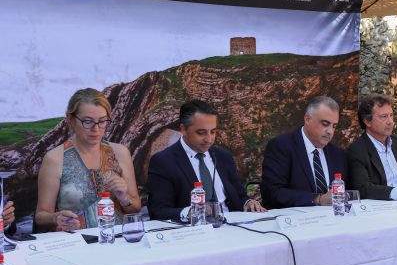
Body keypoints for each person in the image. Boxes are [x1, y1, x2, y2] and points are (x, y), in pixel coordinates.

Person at [35, 88, 142, 230]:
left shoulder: (120, 153)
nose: (96, 129)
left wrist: (124, 198)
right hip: (77, 243)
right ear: (70, 119)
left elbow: (135, 209)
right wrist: (56, 218)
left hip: (117, 239)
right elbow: (41, 216)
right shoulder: (55, 159)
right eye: (87, 122)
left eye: (102, 121)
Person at [146, 100, 266, 221]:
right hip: (193, 233)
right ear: (183, 129)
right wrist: (191, 212)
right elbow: (158, 211)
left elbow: (240, 196)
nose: (209, 139)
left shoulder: (223, 156)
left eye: (213, 132)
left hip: (233, 226)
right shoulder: (164, 162)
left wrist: (248, 203)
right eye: (201, 132)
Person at [260, 96, 349, 209]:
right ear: (307, 119)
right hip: (295, 222)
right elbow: (272, 193)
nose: (330, 131)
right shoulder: (282, 146)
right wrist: (318, 199)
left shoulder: (338, 154)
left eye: (334, 126)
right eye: (325, 124)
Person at [346, 94, 397, 201]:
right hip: (381, 207)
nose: (390, 121)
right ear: (367, 121)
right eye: (384, 116)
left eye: (391, 115)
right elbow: (363, 189)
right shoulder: (357, 150)